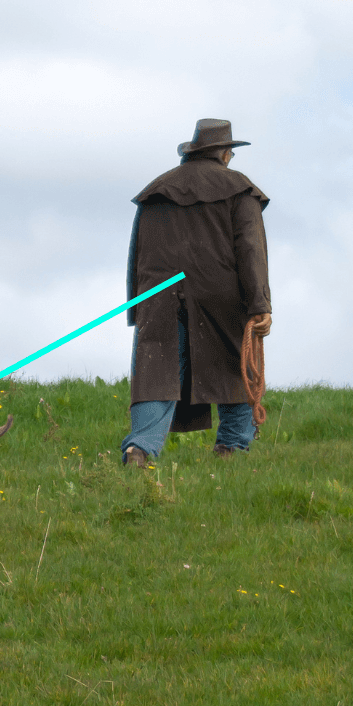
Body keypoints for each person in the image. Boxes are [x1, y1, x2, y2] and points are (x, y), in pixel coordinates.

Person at [122, 119, 273, 464]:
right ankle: (232, 449)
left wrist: (138, 307)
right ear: (223, 153)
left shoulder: (156, 190)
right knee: (236, 368)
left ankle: (140, 449)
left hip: (157, 298)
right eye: (230, 151)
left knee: (156, 372)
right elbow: (251, 251)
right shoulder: (239, 189)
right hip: (223, 296)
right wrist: (259, 304)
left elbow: (138, 253)